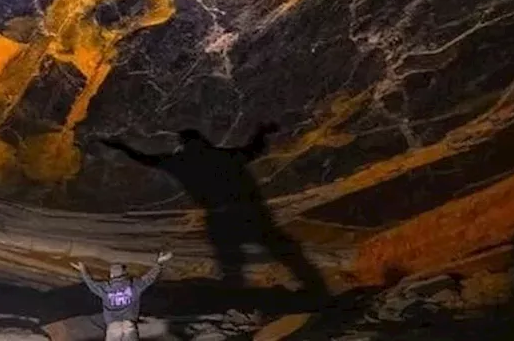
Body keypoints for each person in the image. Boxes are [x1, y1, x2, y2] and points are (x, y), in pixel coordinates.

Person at [102, 126, 327, 296]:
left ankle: (235, 297)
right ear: (201, 141)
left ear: (182, 144)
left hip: (220, 219)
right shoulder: (223, 155)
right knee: (285, 251)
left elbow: (145, 159)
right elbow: (254, 150)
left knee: (231, 262)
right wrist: (262, 132)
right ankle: (315, 289)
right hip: (249, 212)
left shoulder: (180, 161)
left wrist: (121, 147)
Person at [71, 251, 173, 341]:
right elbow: (149, 278)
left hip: (113, 326)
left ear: (111, 275)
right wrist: (159, 263)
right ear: (125, 274)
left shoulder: (105, 288)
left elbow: (91, 284)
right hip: (129, 325)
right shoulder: (134, 286)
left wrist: (83, 270)